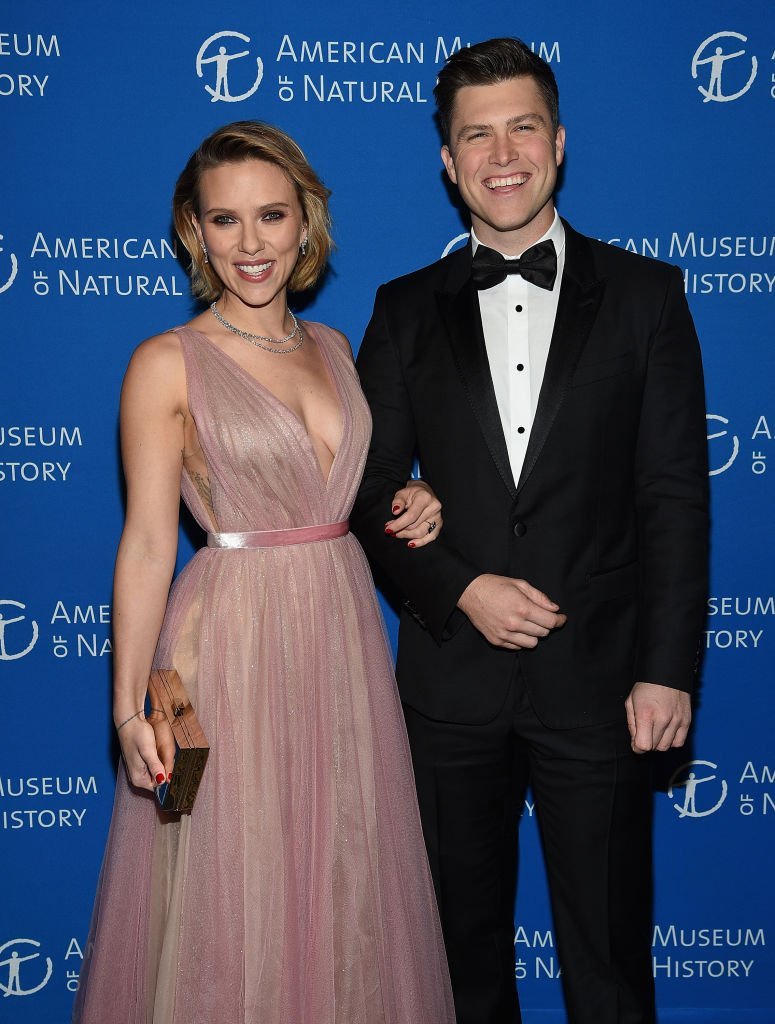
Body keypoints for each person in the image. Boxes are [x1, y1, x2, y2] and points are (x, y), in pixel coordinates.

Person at [351, 38, 709, 1024]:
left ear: (557, 141)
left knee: (607, 964)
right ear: (446, 159)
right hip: (449, 684)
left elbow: (674, 497)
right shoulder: (401, 309)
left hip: (599, 683)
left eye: (520, 127)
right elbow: (366, 487)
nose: (499, 153)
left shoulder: (646, 297)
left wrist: (667, 669)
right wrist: (461, 582)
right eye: (475, 135)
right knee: (460, 968)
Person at [72, 121, 454, 1024]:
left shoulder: (331, 348)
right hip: (224, 646)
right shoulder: (166, 362)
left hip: (339, 635)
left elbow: (343, 488)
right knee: (227, 877)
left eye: (271, 216)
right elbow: (146, 545)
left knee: (342, 872)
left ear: (305, 221)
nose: (252, 244)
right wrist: (131, 705)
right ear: (192, 233)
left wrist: (417, 495)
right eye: (225, 220)